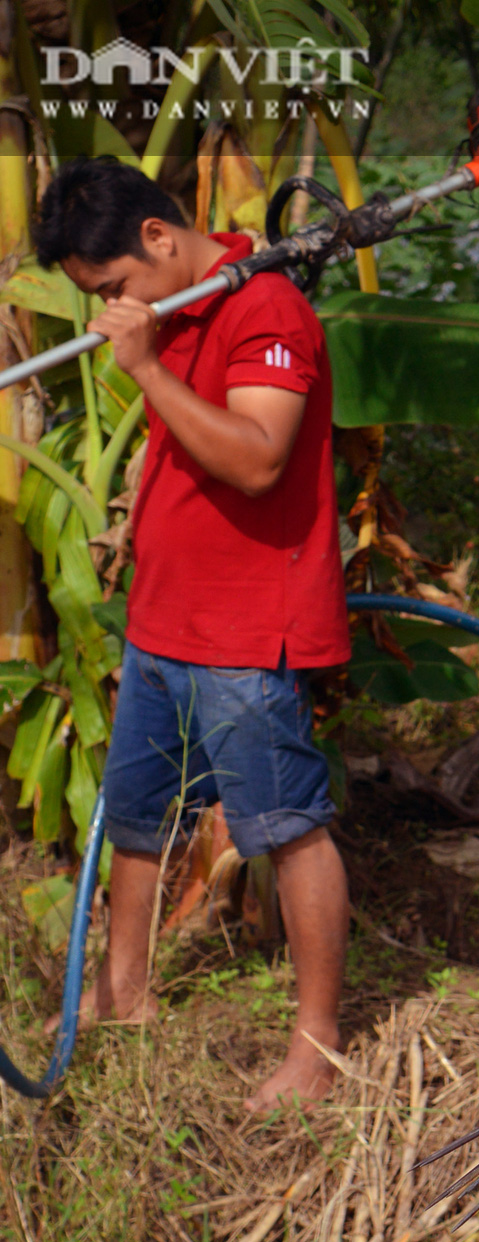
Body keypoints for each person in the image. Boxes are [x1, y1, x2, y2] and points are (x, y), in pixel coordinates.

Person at [32, 158, 351, 1114]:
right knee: (135, 819)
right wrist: (138, 506)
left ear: (159, 239)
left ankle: (316, 1044)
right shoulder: (178, 307)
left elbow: (257, 460)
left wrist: (136, 366)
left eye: (114, 286)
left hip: (247, 629)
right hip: (166, 619)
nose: (113, 308)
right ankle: (125, 992)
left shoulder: (266, 312)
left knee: (286, 831)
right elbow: (187, 434)